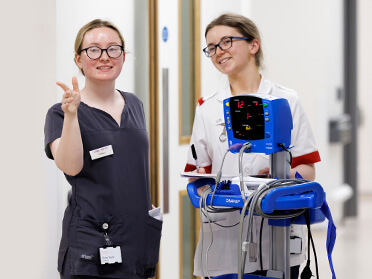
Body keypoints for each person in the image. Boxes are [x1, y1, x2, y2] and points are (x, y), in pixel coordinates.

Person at [184, 13, 321, 278]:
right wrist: (214, 192)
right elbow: (197, 174)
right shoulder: (207, 108)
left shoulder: (285, 100)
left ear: (253, 45)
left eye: (226, 42)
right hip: (225, 236)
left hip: (278, 235)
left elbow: (307, 168)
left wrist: (273, 183)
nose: (218, 52)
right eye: (211, 47)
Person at [44, 19, 162, 279]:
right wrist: (73, 115)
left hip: (136, 241)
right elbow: (71, 166)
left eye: (113, 49)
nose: (105, 57)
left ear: (122, 55)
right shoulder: (60, 114)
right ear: (78, 59)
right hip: (93, 243)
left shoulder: (134, 104)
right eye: (94, 50)